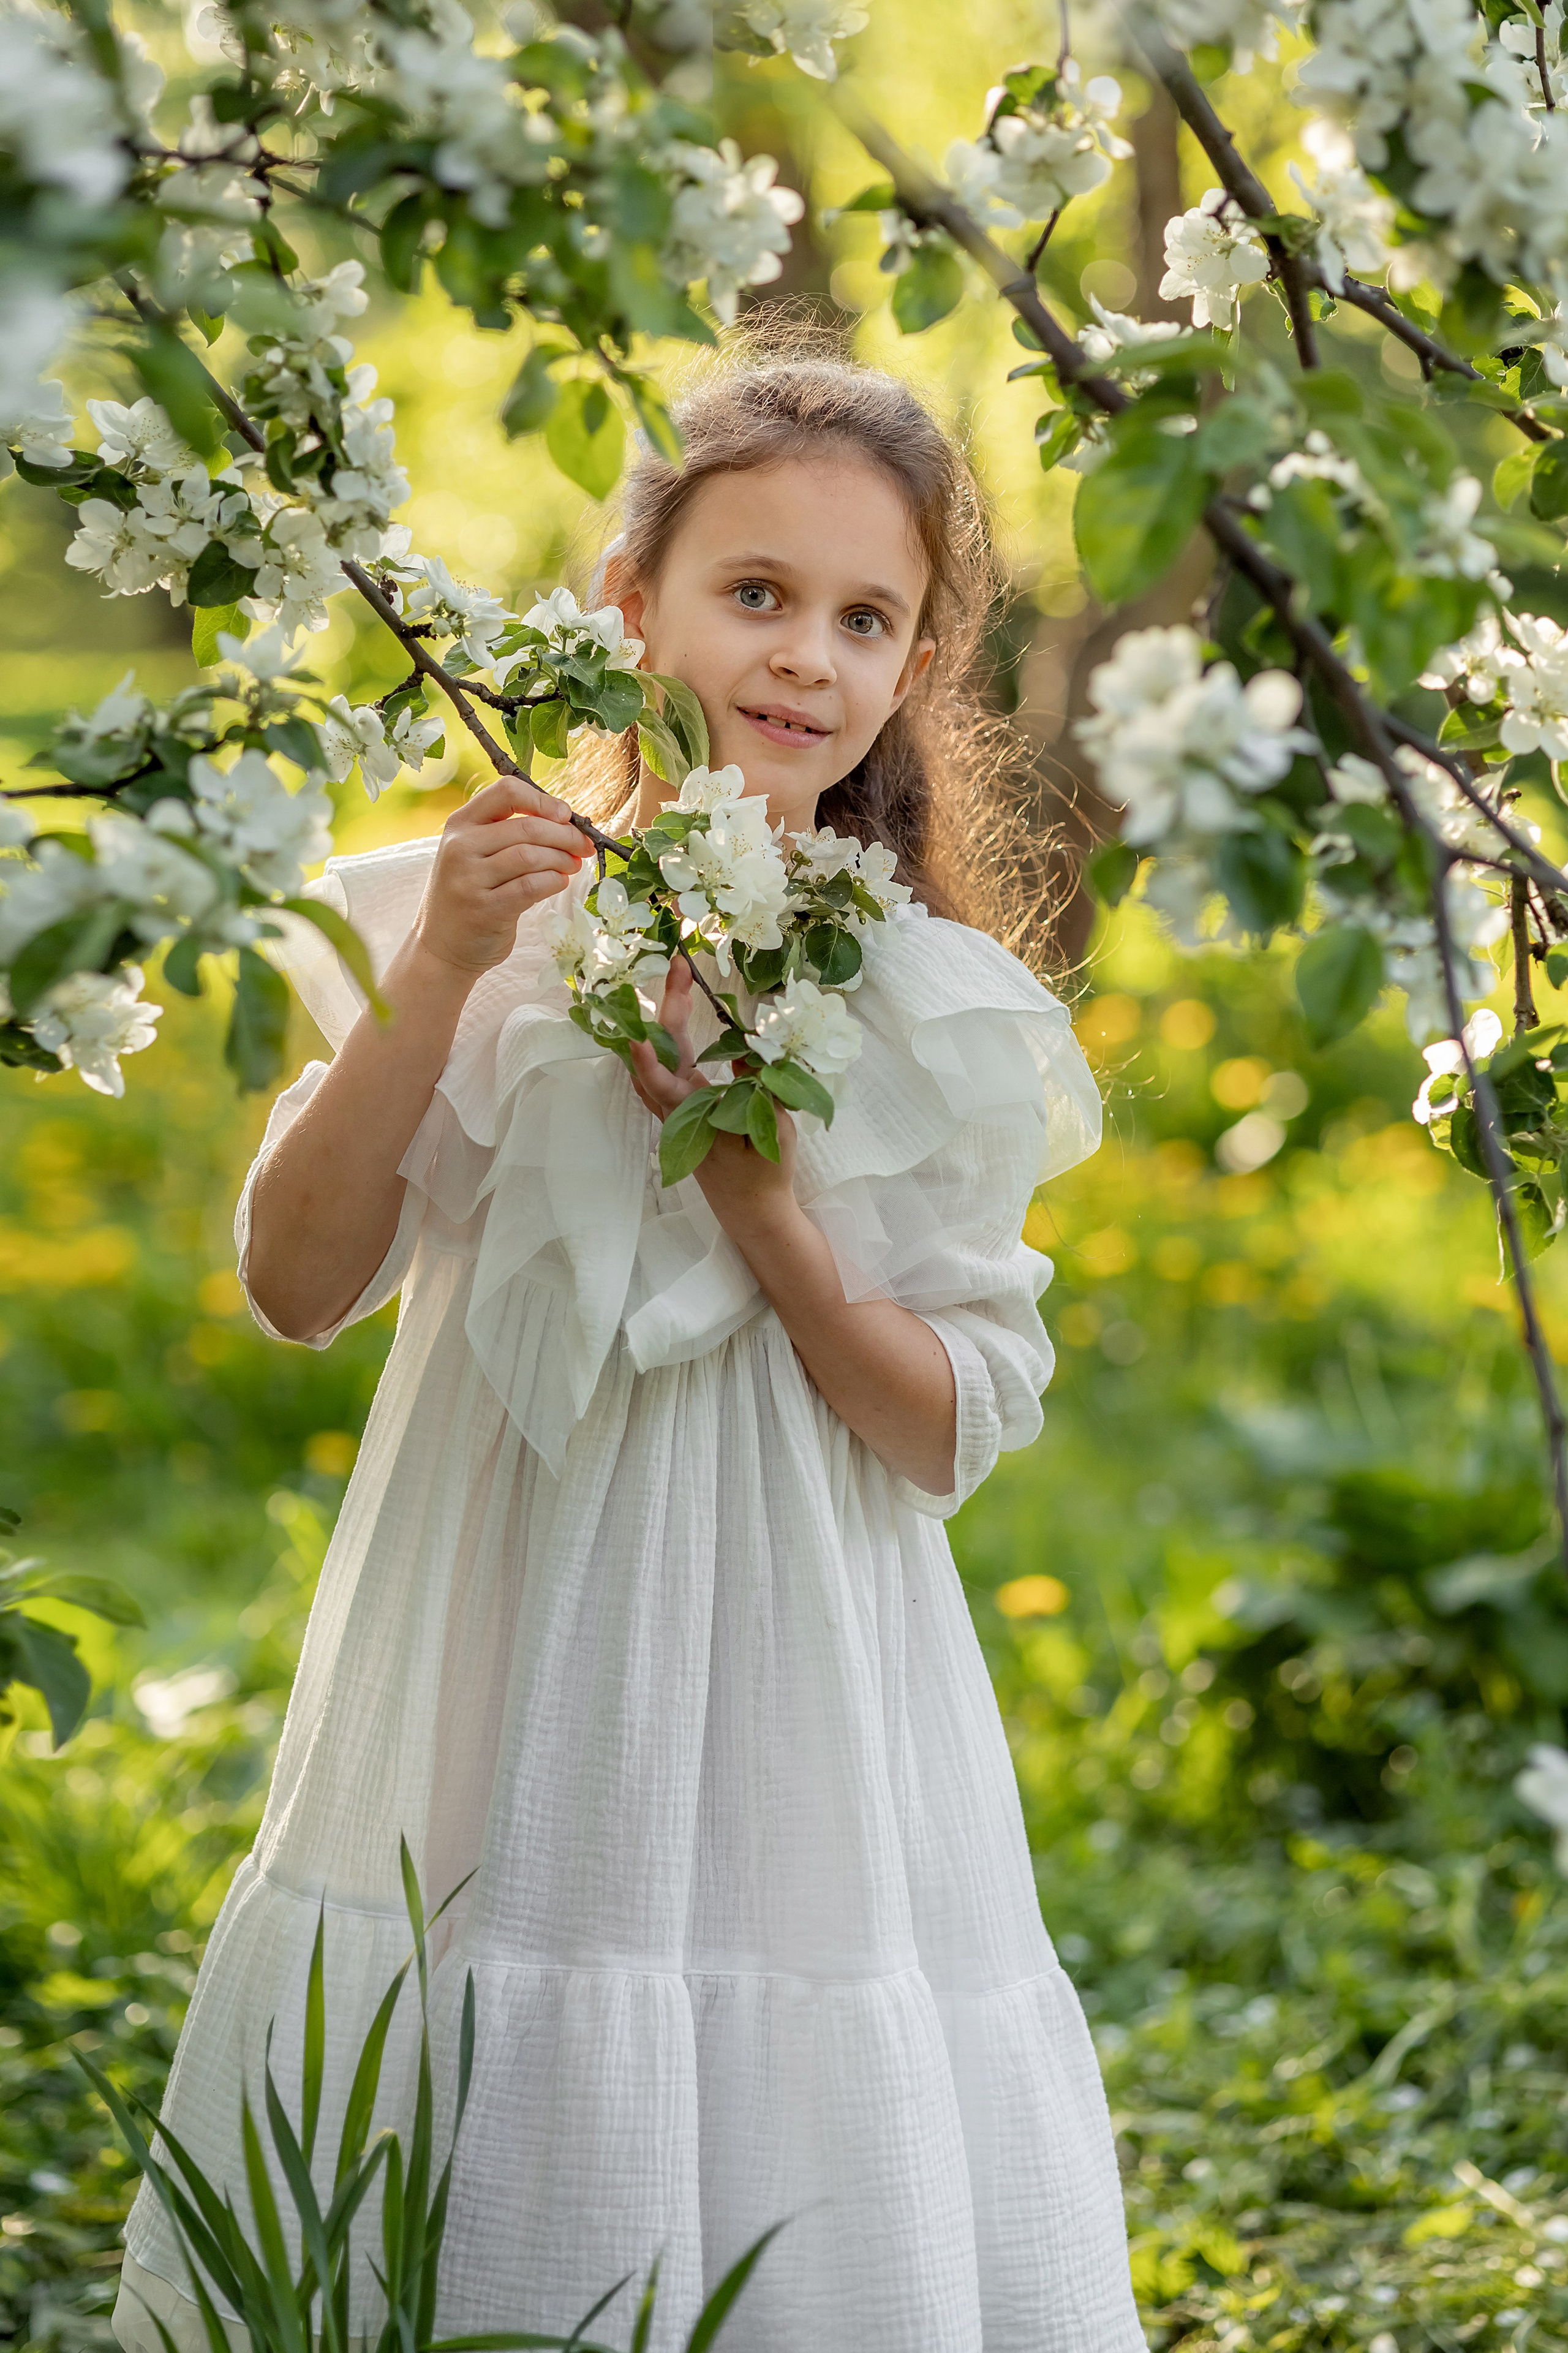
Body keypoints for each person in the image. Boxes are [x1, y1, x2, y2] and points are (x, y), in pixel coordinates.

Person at [113, 344, 1144, 2353]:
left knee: (769, 2049)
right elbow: (296, 1280)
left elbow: (946, 1426)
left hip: (794, 1665)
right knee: (493, 1990)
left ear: (917, 665)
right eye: (754, 592)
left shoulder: (930, 1006)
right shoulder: (478, 929)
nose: (805, 656)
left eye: (866, 618)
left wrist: (768, 1208)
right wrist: (439, 969)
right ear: (629, 606)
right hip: (500, 1633)